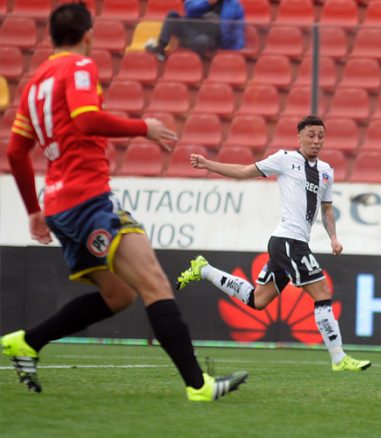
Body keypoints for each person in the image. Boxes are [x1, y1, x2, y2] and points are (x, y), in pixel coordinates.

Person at [1, 2, 247, 401]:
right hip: (87, 199)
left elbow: (15, 153)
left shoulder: (33, 85)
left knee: (120, 295)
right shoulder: (78, 68)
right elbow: (85, 119)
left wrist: (33, 210)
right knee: (154, 282)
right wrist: (143, 127)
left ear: (51, 36)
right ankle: (198, 385)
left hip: (59, 205)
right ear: (88, 34)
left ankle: (28, 342)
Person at [176, 115, 371, 372]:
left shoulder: (326, 171)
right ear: (299, 137)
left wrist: (333, 237)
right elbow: (244, 172)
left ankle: (204, 269)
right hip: (288, 241)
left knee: (258, 300)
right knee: (322, 292)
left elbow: (327, 209)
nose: (316, 141)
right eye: (310, 135)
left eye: (320, 136)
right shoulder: (284, 159)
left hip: (290, 243)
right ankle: (339, 358)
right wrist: (208, 165)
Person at [145, 0, 245, 62]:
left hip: (210, 33)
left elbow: (238, 28)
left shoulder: (234, 5)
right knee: (172, 16)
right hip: (192, 26)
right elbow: (189, 9)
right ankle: (160, 47)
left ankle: (185, 54)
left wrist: (235, 48)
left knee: (202, 41)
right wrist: (207, 2)